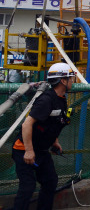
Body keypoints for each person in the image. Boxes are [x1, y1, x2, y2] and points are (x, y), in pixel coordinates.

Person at [12, 63, 75, 210]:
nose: (72, 81)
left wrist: (55, 141)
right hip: (24, 149)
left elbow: (54, 122)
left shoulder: (61, 99)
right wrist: (28, 151)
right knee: (28, 186)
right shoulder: (46, 100)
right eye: (70, 78)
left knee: (50, 181)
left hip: (40, 150)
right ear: (63, 81)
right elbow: (27, 125)